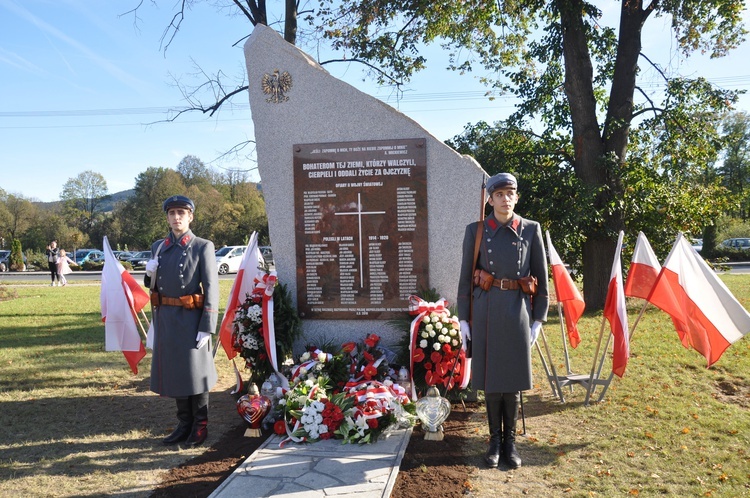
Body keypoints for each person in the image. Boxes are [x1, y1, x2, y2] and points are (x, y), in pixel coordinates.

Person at [457, 172, 549, 469]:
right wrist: (463, 320)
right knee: (492, 381)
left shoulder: (531, 229)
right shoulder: (477, 230)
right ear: (491, 199)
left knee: (512, 380)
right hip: (486, 311)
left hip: (518, 310)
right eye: (499, 194)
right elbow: (464, 279)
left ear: (517, 197)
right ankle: (494, 441)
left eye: (510, 194)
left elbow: (542, 278)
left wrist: (538, 319)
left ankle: (511, 442)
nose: (505, 199)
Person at [144, 195, 219, 447]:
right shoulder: (158, 246)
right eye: (172, 213)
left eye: (181, 213)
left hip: (190, 319)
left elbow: (211, 287)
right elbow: (153, 286)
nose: (176, 217)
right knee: (177, 372)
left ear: (190, 217)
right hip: (166, 317)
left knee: (195, 373)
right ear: (166, 217)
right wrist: (149, 273)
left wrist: (207, 326)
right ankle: (184, 423)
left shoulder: (202, 246)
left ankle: (200, 425)